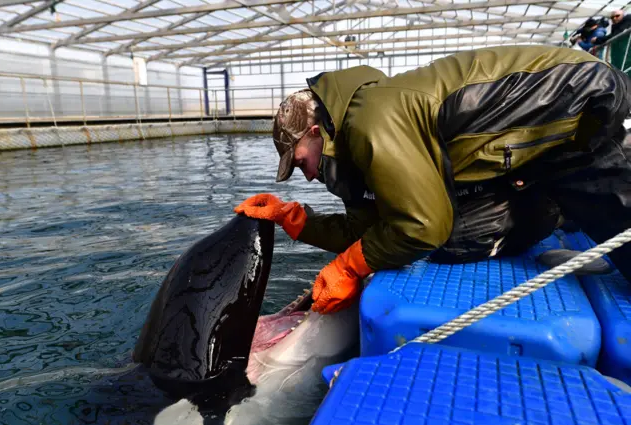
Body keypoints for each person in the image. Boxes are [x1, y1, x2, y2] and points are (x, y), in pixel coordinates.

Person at [235, 45, 631, 315]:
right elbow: (369, 226)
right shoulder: (354, 141)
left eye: (300, 162)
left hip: (575, 106)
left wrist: (350, 267)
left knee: (443, 238)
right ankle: (549, 205)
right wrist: (296, 220)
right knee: (449, 239)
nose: (305, 176)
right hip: (526, 154)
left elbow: (423, 227)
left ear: (316, 133)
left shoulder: (372, 119)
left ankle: (556, 205)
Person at [595, 10, 631, 77]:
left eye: (617, 16)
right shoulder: (616, 27)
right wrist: (597, 40)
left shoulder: (628, 20)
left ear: (623, 15)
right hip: (620, 57)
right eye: (612, 17)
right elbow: (612, 35)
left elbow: (616, 34)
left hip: (627, 56)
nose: (614, 18)